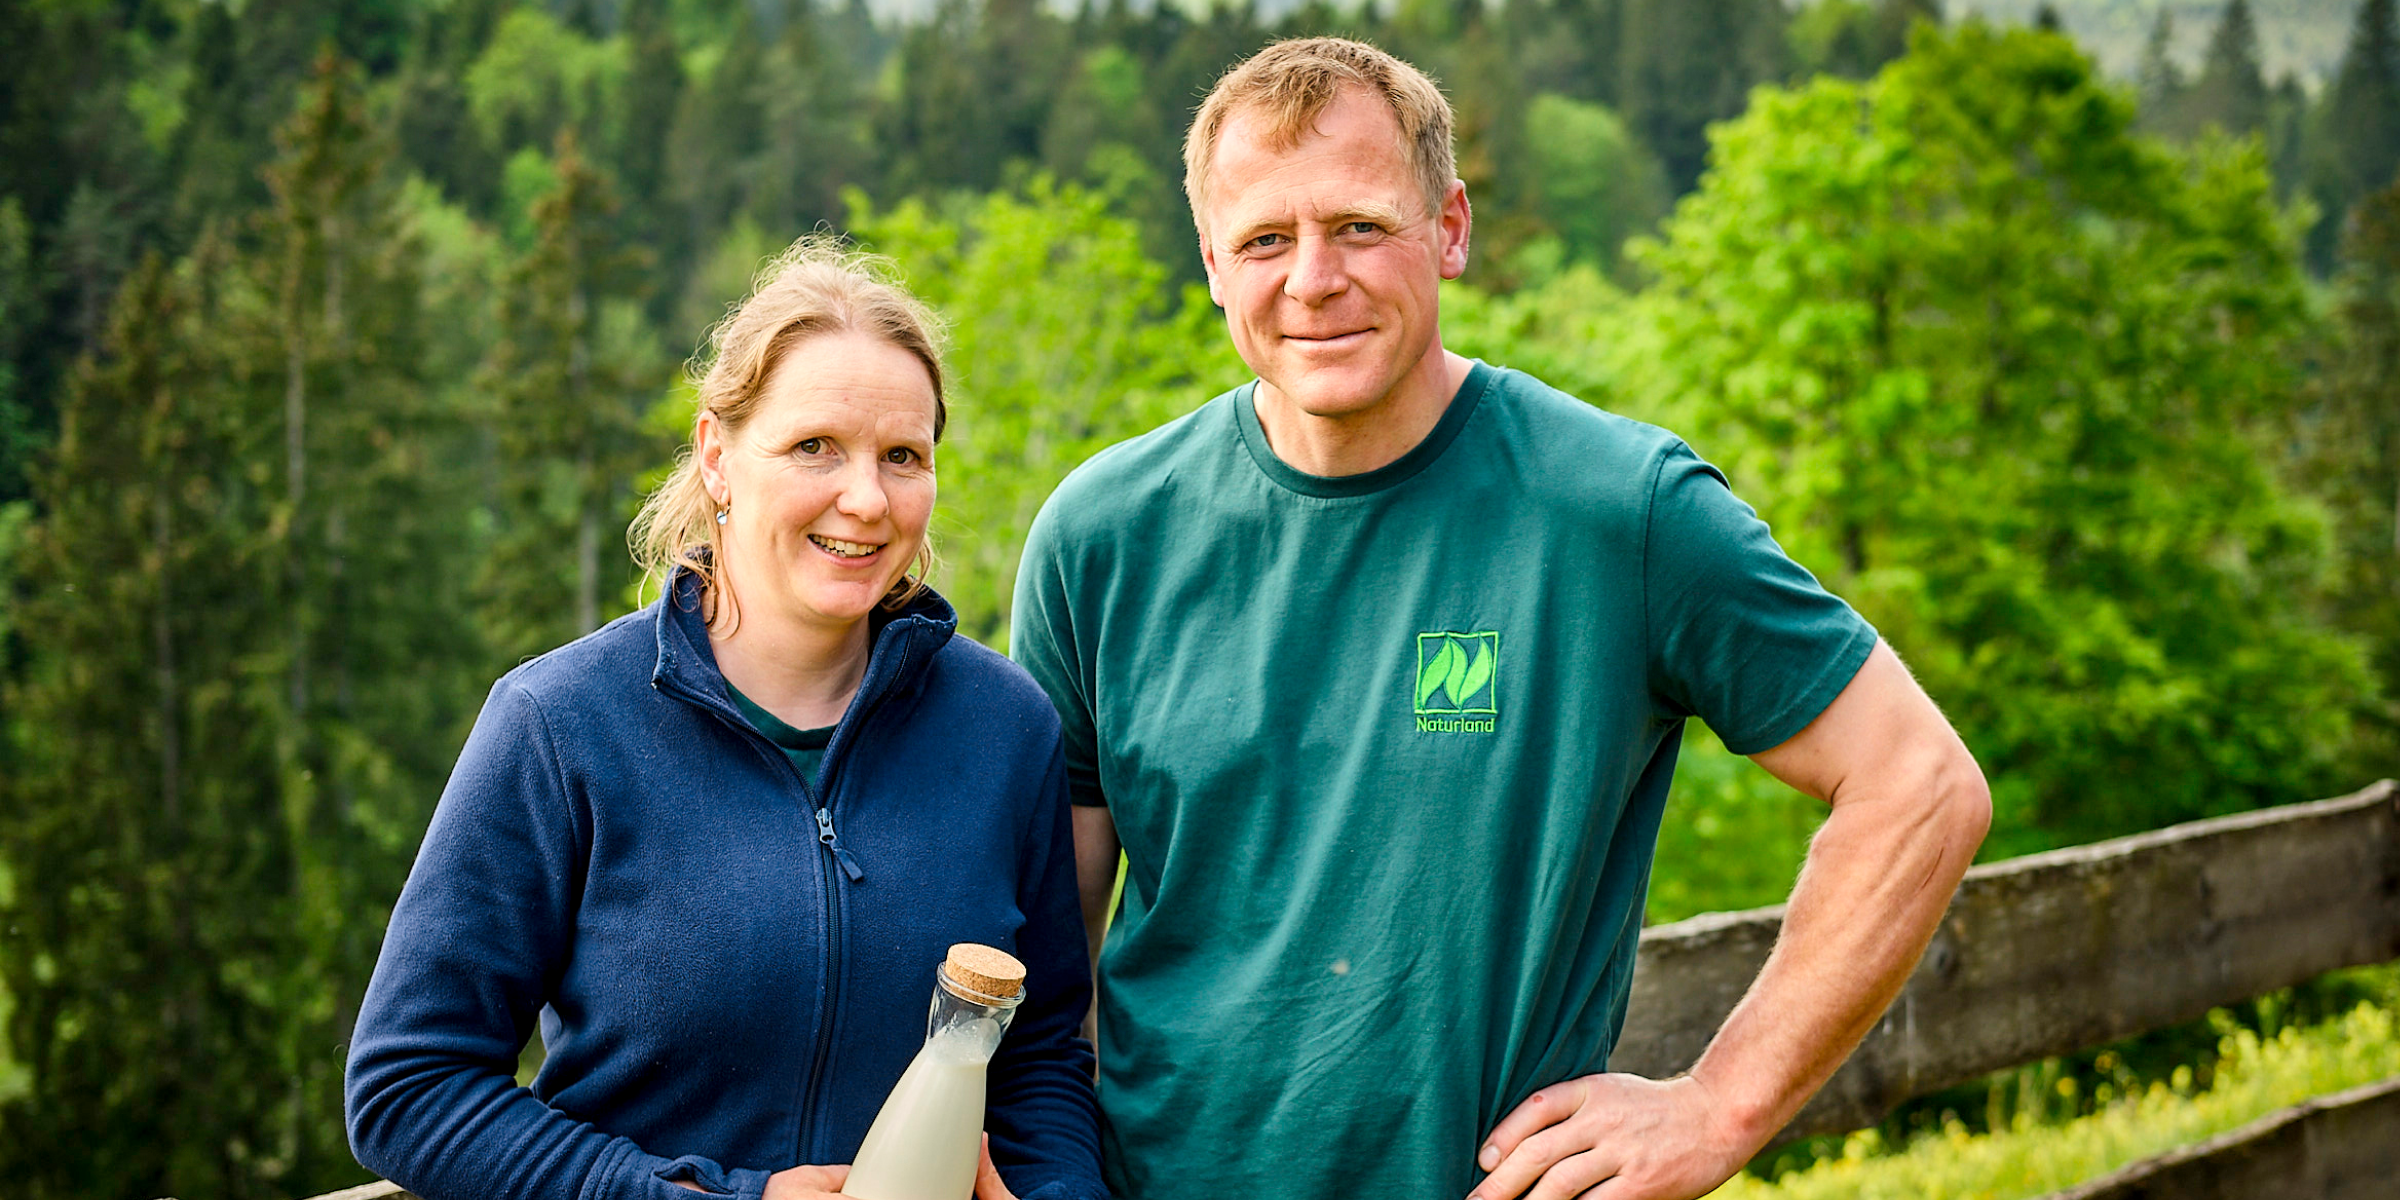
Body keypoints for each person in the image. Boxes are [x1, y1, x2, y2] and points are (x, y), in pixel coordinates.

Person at [1008, 37, 1993, 1200]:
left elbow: (1918, 785)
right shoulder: (1104, 535)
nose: (1313, 278)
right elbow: (1043, 975)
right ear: (1215, 265)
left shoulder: (1617, 511)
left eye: (1361, 226)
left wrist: (1719, 1108)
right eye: (1265, 239)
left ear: (1453, 228)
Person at [346, 240, 1105, 1200]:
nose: (866, 499)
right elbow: (408, 1087)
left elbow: (1036, 1063)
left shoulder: (1005, 729)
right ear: (717, 457)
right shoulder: (560, 725)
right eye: (814, 447)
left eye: (903, 456)